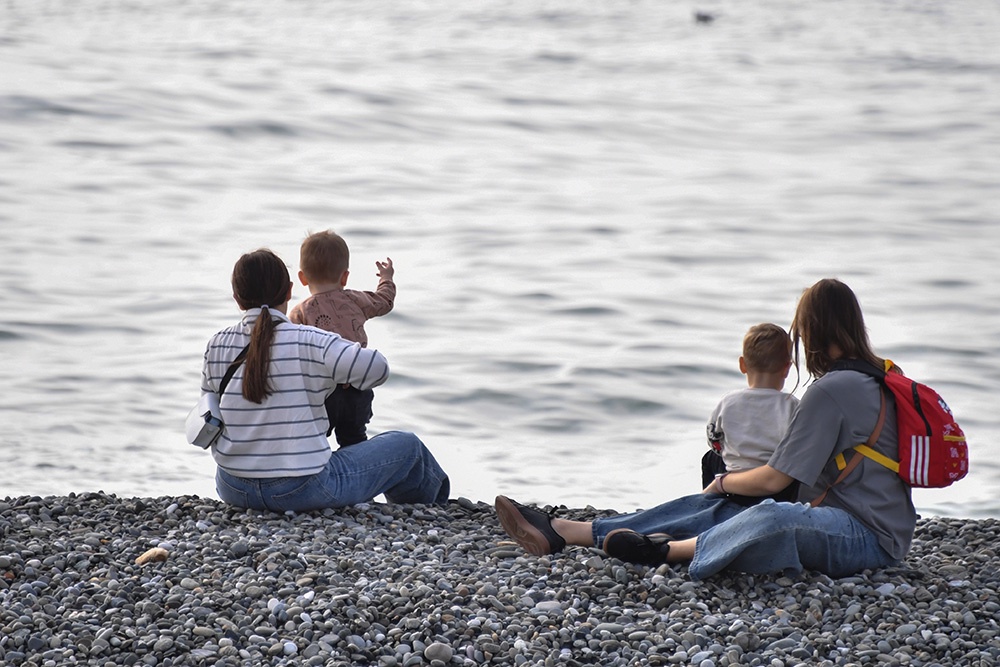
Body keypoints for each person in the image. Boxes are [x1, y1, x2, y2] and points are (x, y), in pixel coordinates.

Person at [496, 279, 915, 580]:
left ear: (812, 332)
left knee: (768, 513)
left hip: (865, 537)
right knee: (731, 509)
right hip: (870, 524)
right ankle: (569, 531)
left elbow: (775, 478)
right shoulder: (878, 376)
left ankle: (666, 551)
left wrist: (723, 482)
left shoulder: (832, 389)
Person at [198, 248, 449, 512]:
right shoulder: (312, 341)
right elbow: (378, 368)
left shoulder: (216, 344)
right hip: (302, 489)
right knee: (408, 446)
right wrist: (332, 375)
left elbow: (208, 408)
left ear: (237, 299)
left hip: (234, 487)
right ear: (289, 291)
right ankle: (431, 512)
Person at [288, 230, 396, 447]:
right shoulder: (355, 299)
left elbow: (289, 347)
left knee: (316, 438)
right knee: (355, 439)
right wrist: (386, 279)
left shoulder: (300, 313)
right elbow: (384, 302)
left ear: (302, 278)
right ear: (345, 276)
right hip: (358, 385)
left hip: (324, 391)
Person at [701, 323, 799, 504]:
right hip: (775, 489)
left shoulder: (728, 401)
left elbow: (713, 439)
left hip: (734, 482)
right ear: (787, 368)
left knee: (710, 458)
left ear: (742, 365)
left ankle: (706, 503)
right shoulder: (791, 405)